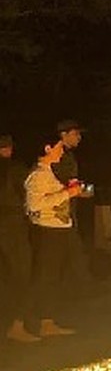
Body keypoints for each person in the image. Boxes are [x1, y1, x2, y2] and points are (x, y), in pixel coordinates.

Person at [22, 134, 80, 337]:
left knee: (52, 278)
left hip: (59, 229)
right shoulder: (38, 175)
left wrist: (71, 191)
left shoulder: (51, 173)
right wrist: (67, 194)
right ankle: (22, 322)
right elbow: (34, 206)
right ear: (47, 149)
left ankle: (47, 321)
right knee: (43, 278)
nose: (61, 151)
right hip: (47, 232)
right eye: (58, 147)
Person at [1, 134, 35, 342]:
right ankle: (17, 324)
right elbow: (27, 193)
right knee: (22, 273)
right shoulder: (14, 169)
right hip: (12, 225)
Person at [50, 118, 89, 301]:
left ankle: (73, 291)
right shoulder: (56, 155)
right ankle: (75, 292)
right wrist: (75, 191)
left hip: (67, 209)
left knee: (71, 250)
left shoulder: (68, 155)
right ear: (63, 135)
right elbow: (54, 183)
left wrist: (78, 189)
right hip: (58, 211)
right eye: (75, 133)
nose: (79, 137)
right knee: (65, 251)